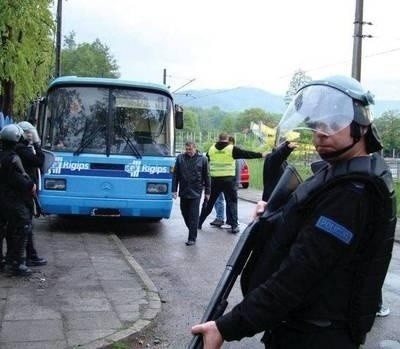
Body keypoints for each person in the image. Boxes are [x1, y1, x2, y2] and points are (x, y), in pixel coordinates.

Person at [191, 75, 396, 348]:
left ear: (361, 126)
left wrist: (226, 327)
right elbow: (308, 220)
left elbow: (298, 276)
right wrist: (276, 212)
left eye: (334, 122)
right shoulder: (340, 173)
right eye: (317, 123)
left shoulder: (352, 193)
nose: (321, 132)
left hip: (315, 337)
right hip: (305, 329)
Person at [198, 133, 267, 234]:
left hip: (215, 180)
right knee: (232, 202)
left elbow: (204, 161)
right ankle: (234, 226)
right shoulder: (231, 148)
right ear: (227, 139)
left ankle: (199, 223)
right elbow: (246, 154)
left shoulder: (211, 149)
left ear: (219, 139)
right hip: (228, 180)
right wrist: (261, 155)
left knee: (209, 202)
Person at [0, 124, 36, 276]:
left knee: (3, 228)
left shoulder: (3, 155)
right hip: (11, 199)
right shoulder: (13, 158)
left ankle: (5, 260)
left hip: (3, 198)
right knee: (24, 225)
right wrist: (29, 184)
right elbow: (17, 178)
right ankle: (17, 262)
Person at [16, 121, 47, 266]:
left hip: (24, 190)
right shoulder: (22, 150)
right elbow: (40, 161)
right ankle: (25, 258)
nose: (31, 135)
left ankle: (27, 256)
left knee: (25, 225)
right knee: (25, 225)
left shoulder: (18, 149)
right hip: (24, 191)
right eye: (29, 132)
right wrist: (37, 143)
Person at [172, 141, 211, 246]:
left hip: (196, 191)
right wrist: (174, 190)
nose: (188, 151)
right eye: (187, 149)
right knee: (184, 213)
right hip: (184, 190)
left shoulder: (203, 159)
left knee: (193, 215)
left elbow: (207, 176)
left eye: (190, 149)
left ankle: (192, 238)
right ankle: (193, 229)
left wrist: (208, 191)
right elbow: (175, 175)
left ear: (195, 148)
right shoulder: (180, 158)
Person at [210, 136, 241, 228]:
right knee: (219, 200)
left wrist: (236, 183)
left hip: (229, 182)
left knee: (229, 201)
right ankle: (221, 219)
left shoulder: (235, 153)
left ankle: (231, 221)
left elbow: (237, 170)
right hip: (219, 180)